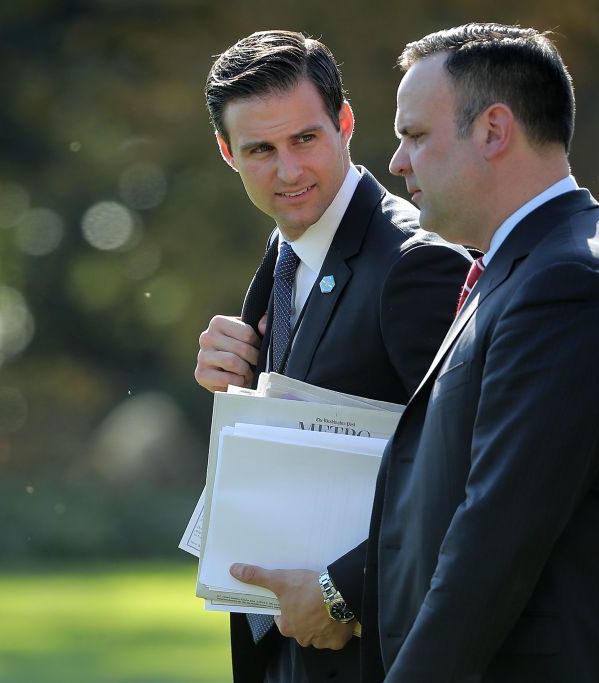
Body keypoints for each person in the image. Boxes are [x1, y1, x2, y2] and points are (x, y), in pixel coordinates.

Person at [360, 23, 599, 682]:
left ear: (492, 130)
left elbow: (494, 543)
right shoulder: (531, 265)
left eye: (416, 136)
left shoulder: (571, 284)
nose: (397, 161)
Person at [194, 30, 471, 683]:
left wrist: (344, 591)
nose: (288, 171)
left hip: (375, 654)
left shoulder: (417, 266)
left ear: (344, 123)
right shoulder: (282, 257)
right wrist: (234, 390)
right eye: (260, 149)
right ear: (226, 152)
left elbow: (466, 477)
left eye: (305, 139)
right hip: (283, 652)